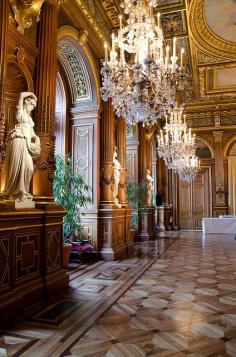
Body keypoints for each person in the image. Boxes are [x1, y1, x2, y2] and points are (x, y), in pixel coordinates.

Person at [2, 91, 40, 201]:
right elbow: (22, 94)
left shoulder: (29, 119)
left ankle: (24, 190)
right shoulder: (21, 111)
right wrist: (33, 96)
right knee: (19, 165)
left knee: (29, 167)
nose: (33, 107)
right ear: (26, 102)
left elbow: (31, 132)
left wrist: (36, 137)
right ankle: (18, 192)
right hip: (19, 139)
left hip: (27, 141)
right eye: (32, 104)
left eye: (34, 105)